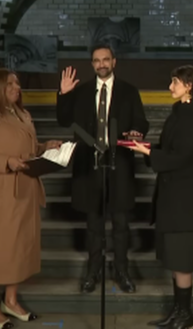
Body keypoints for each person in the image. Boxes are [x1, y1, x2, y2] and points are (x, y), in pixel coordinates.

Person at [0, 68, 64, 329]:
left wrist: (45, 147)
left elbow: (28, 150)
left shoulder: (23, 114)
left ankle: (10, 300)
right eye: (10, 83)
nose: (16, 87)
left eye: (18, 83)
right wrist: (6, 162)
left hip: (24, 189)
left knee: (19, 246)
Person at [56, 43, 149, 293]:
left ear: (114, 62)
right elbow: (64, 121)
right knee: (94, 225)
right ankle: (92, 273)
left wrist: (137, 132)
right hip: (90, 168)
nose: (102, 64)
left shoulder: (129, 91)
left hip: (120, 166)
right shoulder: (83, 91)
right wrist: (64, 94)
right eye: (97, 61)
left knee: (121, 224)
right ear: (92, 64)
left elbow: (141, 121)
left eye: (106, 59)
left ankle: (122, 272)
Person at [126, 65, 193, 329]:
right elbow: (169, 148)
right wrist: (143, 146)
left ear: (188, 85)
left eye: (174, 82)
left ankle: (186, 316)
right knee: (175, 259)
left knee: (182, 261)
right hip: (173, 197)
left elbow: (184, 157)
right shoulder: (179, 114)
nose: (170, 87)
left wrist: (150, 154)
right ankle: (179, 313)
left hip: (184, 200)